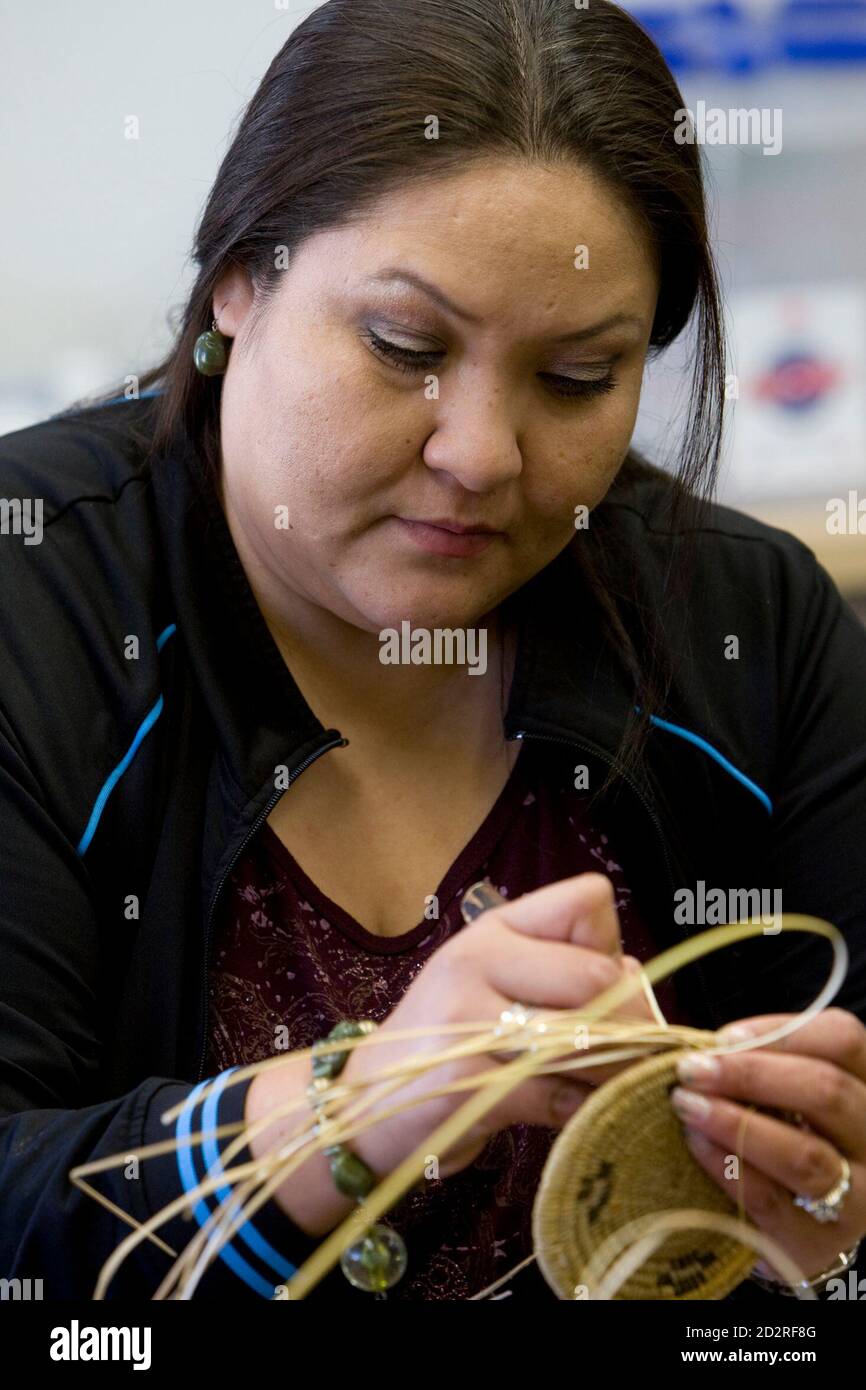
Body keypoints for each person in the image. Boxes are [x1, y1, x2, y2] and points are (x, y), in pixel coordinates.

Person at [1, 0, 864, 1303]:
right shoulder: (35, 605)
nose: (479, 455)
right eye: (403, 347)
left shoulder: (755, 625)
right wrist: (356, 1107)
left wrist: (811, 1242)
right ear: (237, 278)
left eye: (578, 377)